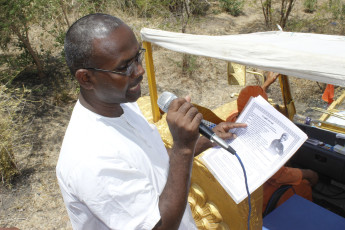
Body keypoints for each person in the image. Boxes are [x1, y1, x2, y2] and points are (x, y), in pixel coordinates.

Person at [56, 13, 246, 230]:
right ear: (86, 78)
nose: (139, 70)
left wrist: (207, 140)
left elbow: (152, 160)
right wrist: (183, 148)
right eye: (124, 67)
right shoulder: (91, 159)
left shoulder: (121, 104)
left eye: (137, 57)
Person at [226, 71, 319, 214]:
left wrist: (267, 83)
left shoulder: (232, 120)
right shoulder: (256, 138)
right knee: (304, 185)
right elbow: (278, 175)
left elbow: (250, 101)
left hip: (240, 183)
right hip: (258, 191)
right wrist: (306, 173)